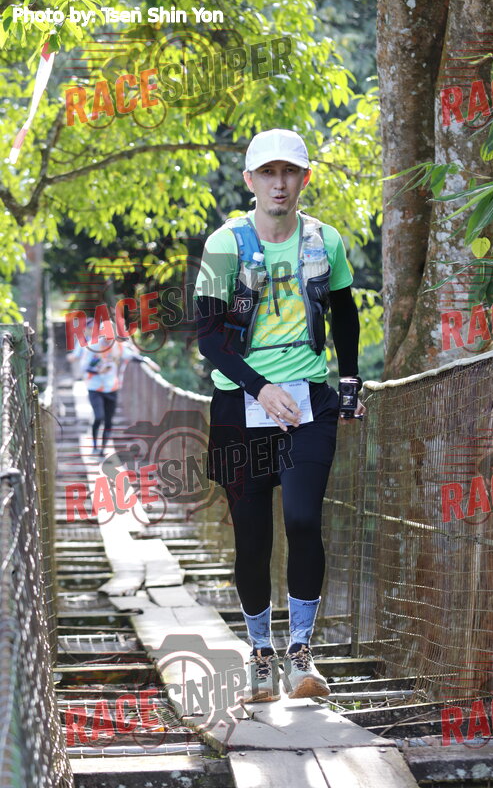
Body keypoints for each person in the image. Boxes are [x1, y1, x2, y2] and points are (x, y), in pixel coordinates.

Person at [194, 128, 364, 703]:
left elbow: (344, 312)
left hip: (308, 401)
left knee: (303, 519)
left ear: (305, 178)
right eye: (267, 173)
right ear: (250, 181)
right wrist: (261, 388)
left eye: (289, 172)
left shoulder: (325, 240)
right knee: (252, 537)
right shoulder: (225, 245)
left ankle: (301, 654)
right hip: (240, 403)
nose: (279, 183)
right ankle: (261, 655)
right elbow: (209, 338)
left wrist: (349, 379)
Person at [79, 324, 161, 456]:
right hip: (95, 387)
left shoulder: (118, 347)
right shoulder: (92, 347)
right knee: (99, 416)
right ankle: (94, 446)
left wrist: (147, 361)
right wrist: (98, 371)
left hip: (111, 388)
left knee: (108, 420)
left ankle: (102, 449)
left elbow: (131, 356)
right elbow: (83, 367)